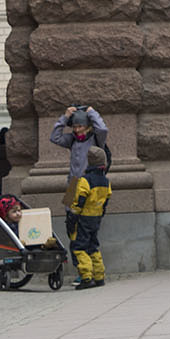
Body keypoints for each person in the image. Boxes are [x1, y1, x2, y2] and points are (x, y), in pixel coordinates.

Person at [69, 144, 112, 288]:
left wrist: (72, 216)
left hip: (84, 217)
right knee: (93, 246)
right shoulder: (106, 181)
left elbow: (79, 199)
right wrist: (101, 213)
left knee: (79, 247)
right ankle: (99, 276)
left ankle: (86, 277)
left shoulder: (85, 180)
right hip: (96, 217)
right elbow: (106, 199)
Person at [50, 105, 108, 183]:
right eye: (74, 127)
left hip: (91, 182)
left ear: (87, 127)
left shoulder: (96, 138)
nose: (77, 130)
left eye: (80, 126)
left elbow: (102, 129)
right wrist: (65, 117)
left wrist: (92, 112)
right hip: (74, 183)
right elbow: (54, 137)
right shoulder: (72, 139)